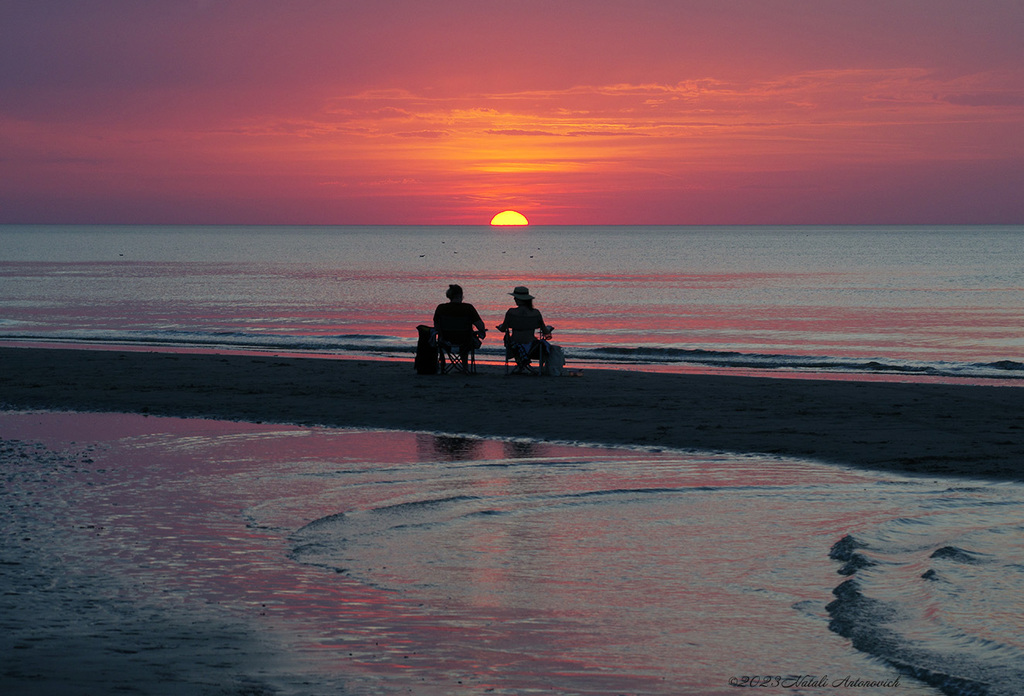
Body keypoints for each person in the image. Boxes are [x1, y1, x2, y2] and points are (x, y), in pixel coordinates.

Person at [496, 286, 552, 371]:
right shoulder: (535, 313)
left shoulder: (511, 312)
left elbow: (503, 329)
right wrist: (549, 329)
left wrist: (499, 327)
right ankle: (537, 368)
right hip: (531, 346)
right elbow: (545, 331)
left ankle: (520, 365)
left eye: (515, 297)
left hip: (514, 345)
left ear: (519, 299)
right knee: (544, 344)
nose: (514, 299)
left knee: (510, 340)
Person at [433, 284, 486, 354]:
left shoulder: (441, 308)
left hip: (446, 341)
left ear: (449, 296)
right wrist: (481, 332)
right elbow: (480, 326)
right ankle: (465, 365)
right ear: (461, 295)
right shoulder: (468, 308)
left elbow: (436, 327)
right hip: (465, 341)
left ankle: (442, 363)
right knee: (467, 339)